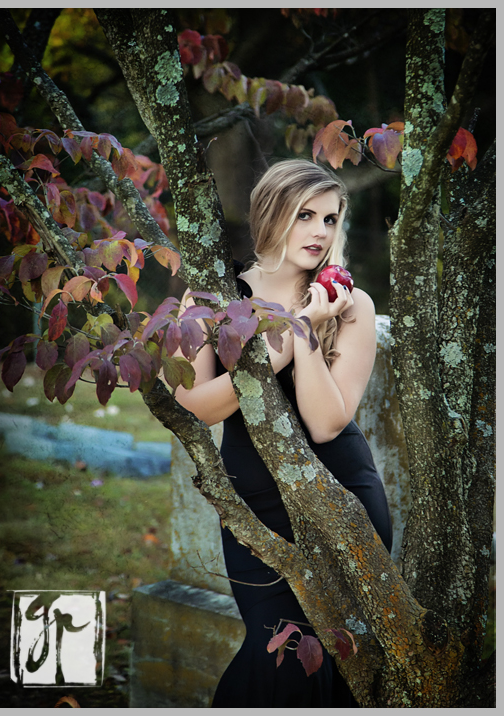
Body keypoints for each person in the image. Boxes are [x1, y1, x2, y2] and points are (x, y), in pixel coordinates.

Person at [174, 159, 393, 707]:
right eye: (305, 215)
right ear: (271, 214)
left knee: (344, 659)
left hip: (344, 497)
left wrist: (312, 334)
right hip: (257, 507)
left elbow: (326, 423)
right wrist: (284, 341)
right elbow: (198, 407)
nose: (320, 231)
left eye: (330, 219)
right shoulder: (209, 301)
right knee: (278, 655)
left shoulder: (350, 306)